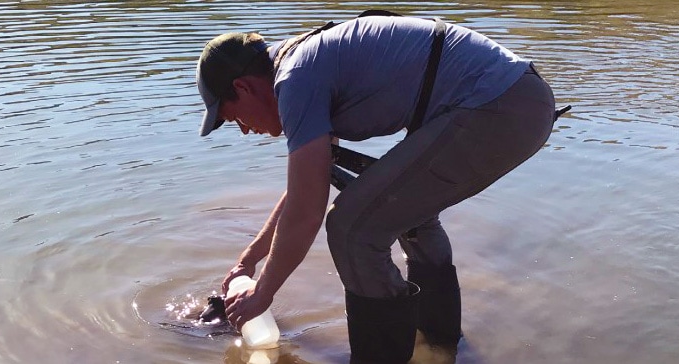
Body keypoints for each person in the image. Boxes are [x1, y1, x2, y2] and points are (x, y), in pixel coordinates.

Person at [195, 12, 556, 363]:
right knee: (407, 217)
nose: (243, 129)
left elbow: (307, 210)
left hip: (496, 105)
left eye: (231, 117)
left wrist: (263, 293)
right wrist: (248, 262)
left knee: (353, 229)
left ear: (243, 87)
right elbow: (309, 186)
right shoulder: (302, 65)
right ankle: (441, 346)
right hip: (515, 99)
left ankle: (382, 356)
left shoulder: (294, 79)